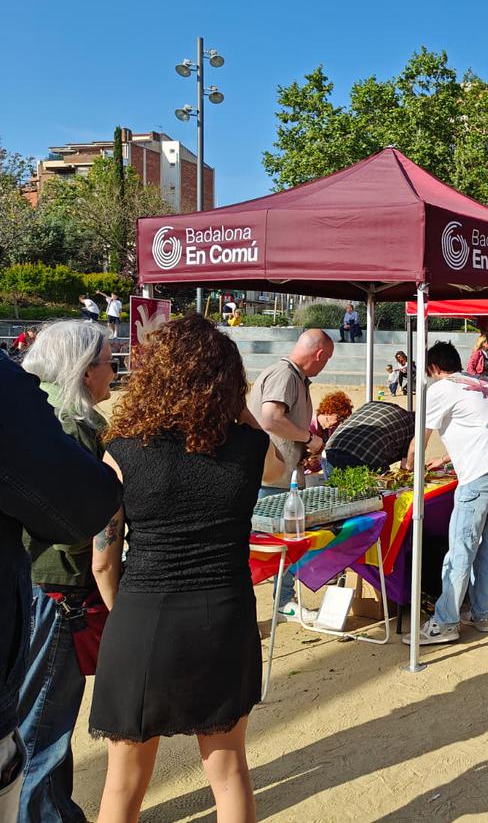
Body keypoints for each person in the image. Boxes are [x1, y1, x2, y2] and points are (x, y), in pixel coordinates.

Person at [89, 315, 273, 821]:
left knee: (123, 785)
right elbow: (279, 461)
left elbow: (104, 560)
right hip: (225, 614)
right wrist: (236, 408)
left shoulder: (122, 453)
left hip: (143, 613)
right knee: (230, 770)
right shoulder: (249, 450)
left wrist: (124, 613)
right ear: (229, 383)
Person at [1, 353, 121, 823]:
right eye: (108, 362)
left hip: (46, 584)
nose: (115, 372)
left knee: (44, 719)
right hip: (57, 588)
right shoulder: (67, 424)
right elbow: (78, 519)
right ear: (84, 369)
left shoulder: (61, 416)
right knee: (43, 724)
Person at [403, 341, 488, 645]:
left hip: (483, 470)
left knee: (462, 545)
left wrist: (407, 467)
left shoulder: (441, 388)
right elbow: (477, 425)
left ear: (432, 369)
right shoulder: (487, 383)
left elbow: (422, 436)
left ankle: (445, 621)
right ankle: (483, 613)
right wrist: (445, 459)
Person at [248, 329, 333, 622]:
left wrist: (301, 452)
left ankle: (283, 600)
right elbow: (270, 417)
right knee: (274, 543)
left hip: (279, 475)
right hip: (269, 478)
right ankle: (281, 602)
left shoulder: (291, 376)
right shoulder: (285, 375)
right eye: (327, 359)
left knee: (280, 542)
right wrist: (308, 440)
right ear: (319, 354)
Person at [324, 401, 416, 472]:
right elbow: (407, 466)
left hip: (330, 450)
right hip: (364, 457)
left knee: (335, 494)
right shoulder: (412, 428)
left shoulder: (377, 405)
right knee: (374, 494)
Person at [305, 390, 354, 475]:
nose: (339, 423)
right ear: (328, 411)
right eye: (339, 418)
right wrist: (307, 464)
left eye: (343, 420)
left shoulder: (331, 430)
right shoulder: (307, 426)